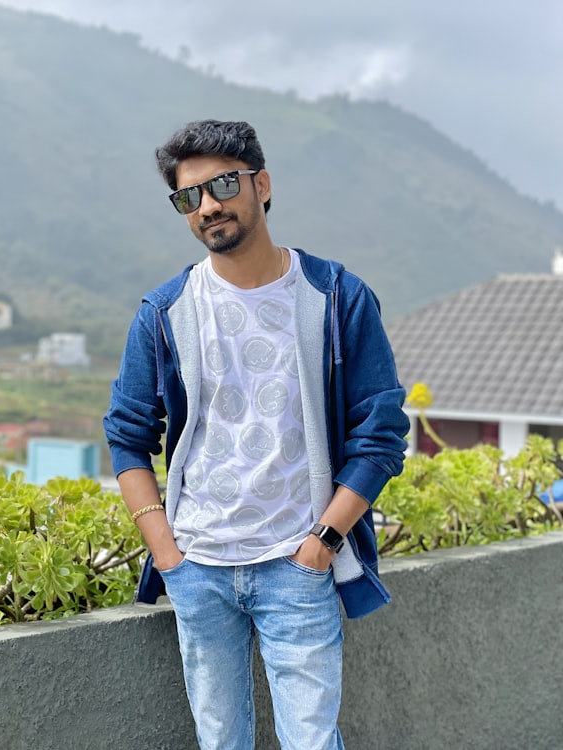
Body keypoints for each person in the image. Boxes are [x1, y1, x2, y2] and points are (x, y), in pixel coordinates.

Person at [102, 119, 409, 750]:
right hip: (199, 566)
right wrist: (168, 553)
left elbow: (381, 434)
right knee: (220, 741)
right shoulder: (165, 313)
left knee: (312, 741)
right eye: (190, 196)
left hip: (297, 565)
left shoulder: (335, 297)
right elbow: (128, 434)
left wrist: (324, 540)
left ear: (260, 184)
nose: (208, 206)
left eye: (222, 185)